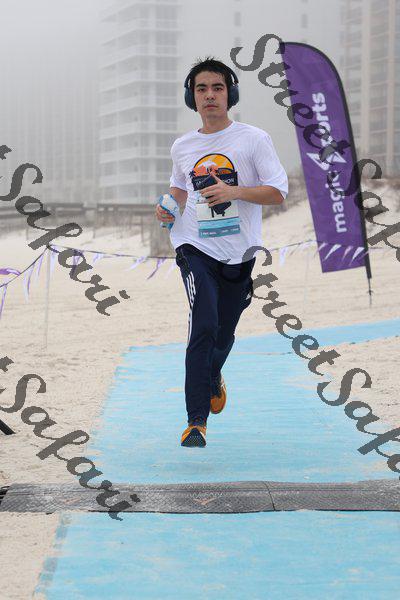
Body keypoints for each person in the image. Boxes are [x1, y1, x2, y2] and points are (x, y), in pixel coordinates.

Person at [155, 57, 288, 447]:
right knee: (203, 324)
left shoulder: (253, 139)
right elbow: (179, 187)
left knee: (224, 332)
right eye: (201, 89)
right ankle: (196, 422)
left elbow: (278, 192)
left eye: (217, 87)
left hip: (239, 252)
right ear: (191, 97)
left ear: (231, 94)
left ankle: (213, 374)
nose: (209, 95)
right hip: (194, 246)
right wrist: (168, 207)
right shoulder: (183, 145)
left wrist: (235, 191)